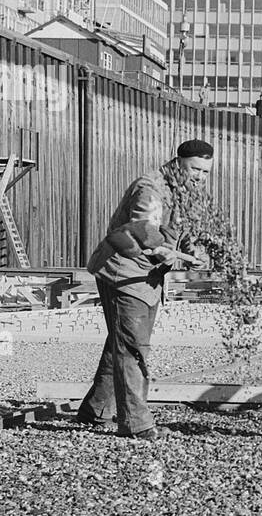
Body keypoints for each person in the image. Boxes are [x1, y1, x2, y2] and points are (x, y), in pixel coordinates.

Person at [76, 139, 215, 441]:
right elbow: (145, 230)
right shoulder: (151, 189)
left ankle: (95, 411)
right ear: (178, 162)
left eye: (205, 172)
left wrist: (196, 252)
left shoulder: (186, 192)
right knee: (133, 349)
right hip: (124, 272)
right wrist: (162, 251)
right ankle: (136, 424)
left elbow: (185, 229)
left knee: (122, 342)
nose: (200, 177)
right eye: (195, 169)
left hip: (147, 276)